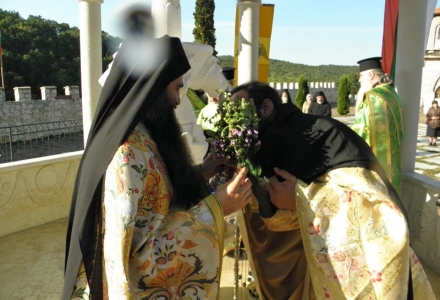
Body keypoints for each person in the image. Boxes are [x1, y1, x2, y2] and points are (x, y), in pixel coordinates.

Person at [62, 36, 253, 300]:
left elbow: (156, 199)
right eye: (176, 88)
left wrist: (200, 172)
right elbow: (138, 258)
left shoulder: (141, 136)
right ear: (151, 89)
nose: (178, 100)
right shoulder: (128, 153)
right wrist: (217, 208)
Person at [230, 81, 435, 300]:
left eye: (240, 111)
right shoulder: (268, 141)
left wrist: (302, 198)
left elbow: (376, 205)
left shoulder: (322, 134)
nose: (235, 122)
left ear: (267, 107)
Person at [351, 57, 403, 196]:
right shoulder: (392, 93)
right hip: (394, 165)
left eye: (361, 76)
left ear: (371, 75)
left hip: (377, 166)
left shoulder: (373, 97)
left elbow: (359, 132)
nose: (359, 80)